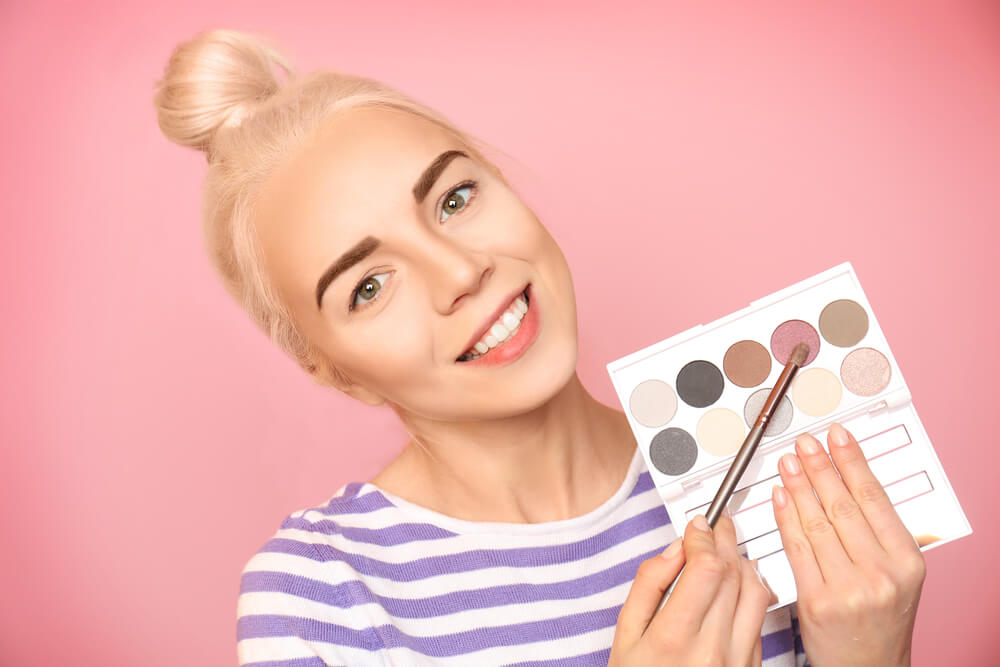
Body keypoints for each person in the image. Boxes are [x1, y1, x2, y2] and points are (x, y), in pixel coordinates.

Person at [153, 28, 927, 667]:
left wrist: (871, 654)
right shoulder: (320, 596)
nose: (459, 271)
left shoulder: (764, 459)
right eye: (368, 285)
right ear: (335, 373)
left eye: (455, 198)